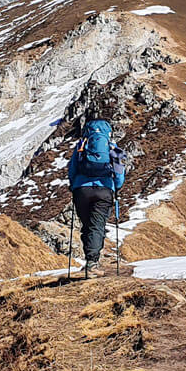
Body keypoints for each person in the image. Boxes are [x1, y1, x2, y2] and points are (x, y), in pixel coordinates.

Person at [68, 118, 125, 277]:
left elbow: (72, 169)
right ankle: (92, 264)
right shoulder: (112, 147)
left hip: (81, 191)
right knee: (97, 226)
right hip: (104, 190)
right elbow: (119, 173)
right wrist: (116, 186)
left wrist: (74, 186)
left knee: (87, 226)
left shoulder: (81, 146)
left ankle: (90, 261)